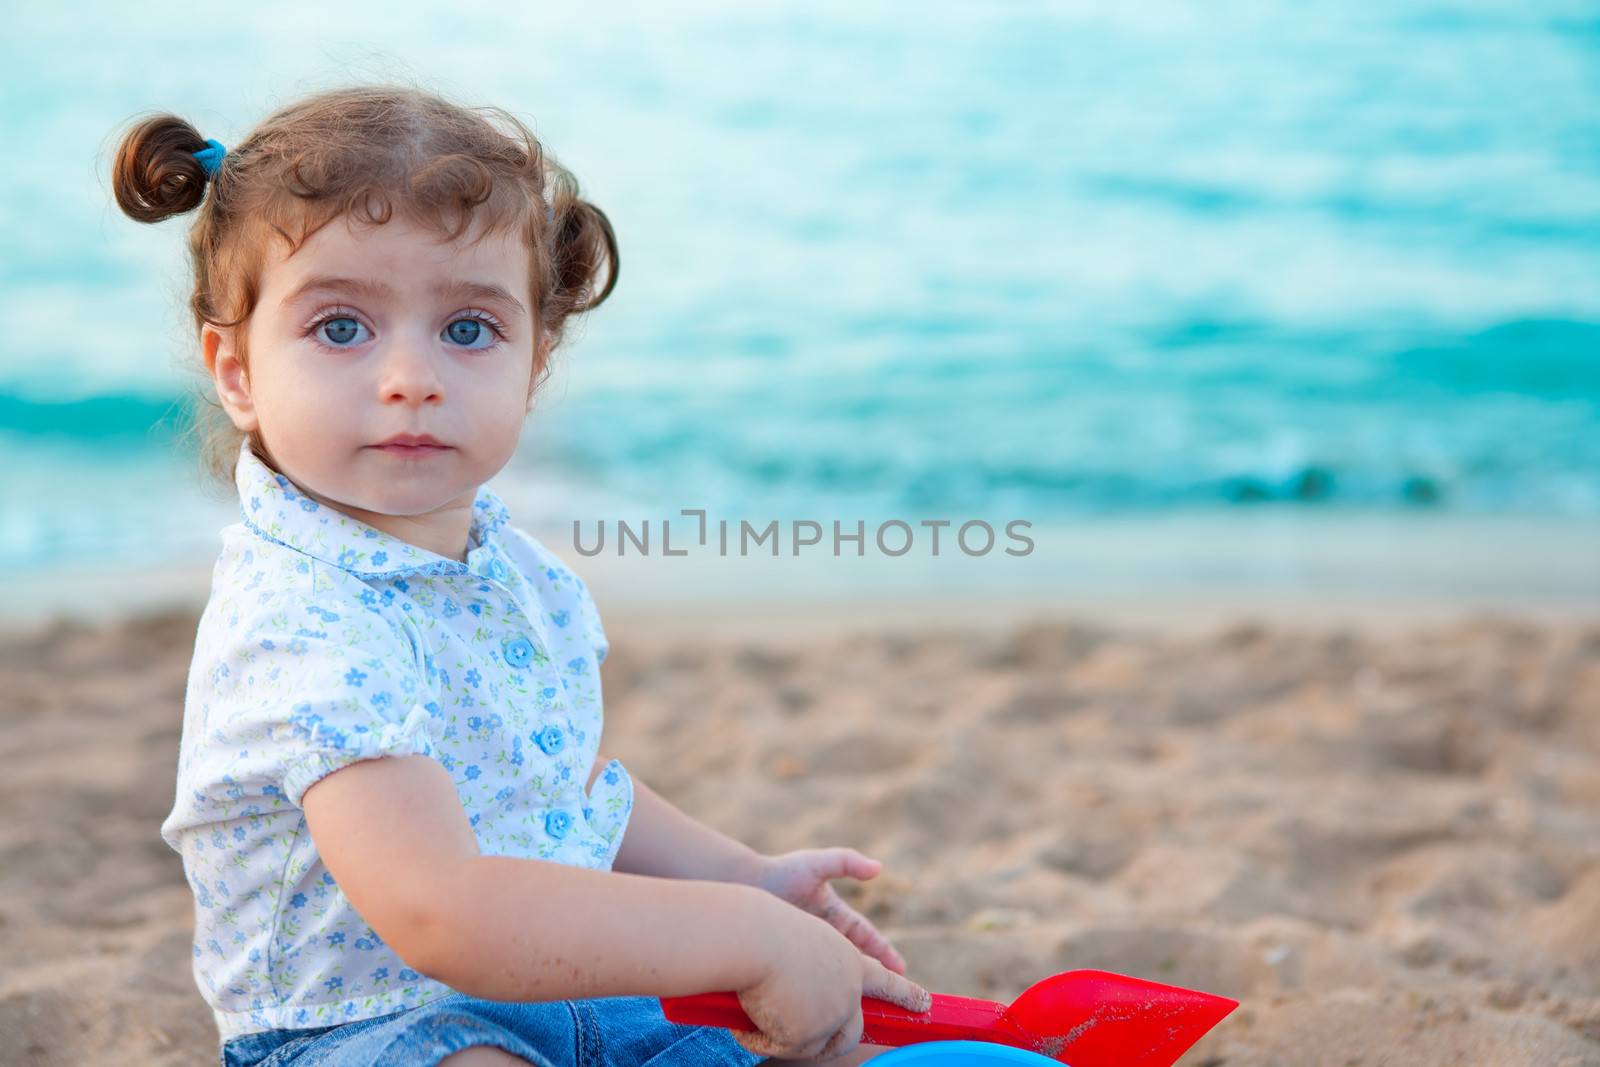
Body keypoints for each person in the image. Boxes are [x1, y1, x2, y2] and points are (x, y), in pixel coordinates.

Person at [111, 82, 932, 1067]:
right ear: (237, 371)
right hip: (369, 1023)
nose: (410, 375)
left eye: (468, 329)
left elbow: (555, 781)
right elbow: (441, 909)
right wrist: (744, 936)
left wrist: (750, 880)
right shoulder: (298, 619)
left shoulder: (511, 571)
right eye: (340, 327)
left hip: (578, 993)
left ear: (534, 362)